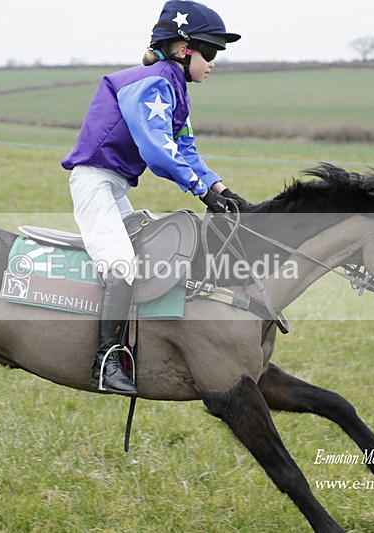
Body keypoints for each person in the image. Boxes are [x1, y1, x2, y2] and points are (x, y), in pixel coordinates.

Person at [61, 0, 249, 396]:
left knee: (148, 255)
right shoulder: (153, 83)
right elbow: (158, 151)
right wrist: (202, 192)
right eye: (210, 53)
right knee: (121, 266)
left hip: (115, 186)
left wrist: (223, 191)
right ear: (183, 50)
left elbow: (187, 152)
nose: (213, 63)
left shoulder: (175, 88)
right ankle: (105, 362)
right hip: (94, 183)